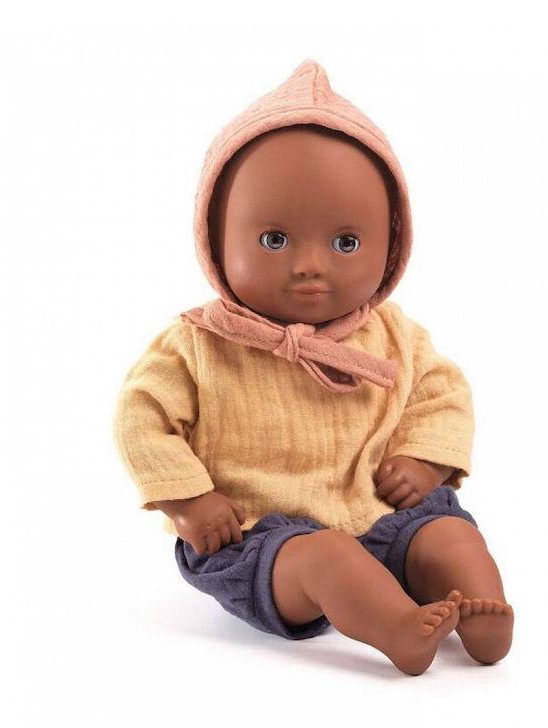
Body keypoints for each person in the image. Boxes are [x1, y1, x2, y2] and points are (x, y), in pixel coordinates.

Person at [112, 59, 513, 676]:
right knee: (325, 559)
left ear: (391, 245)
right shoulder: (197, 345)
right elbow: (143, 418)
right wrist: (190, 501)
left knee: (446, 535)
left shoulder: (393, 335)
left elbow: (442, 395)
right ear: (215, 236)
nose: (310, 265)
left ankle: (482, 606)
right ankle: (396, 628)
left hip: (382, 511)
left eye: (345, 243)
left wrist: (424, 460)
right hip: (259, 537)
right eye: (274, 240)